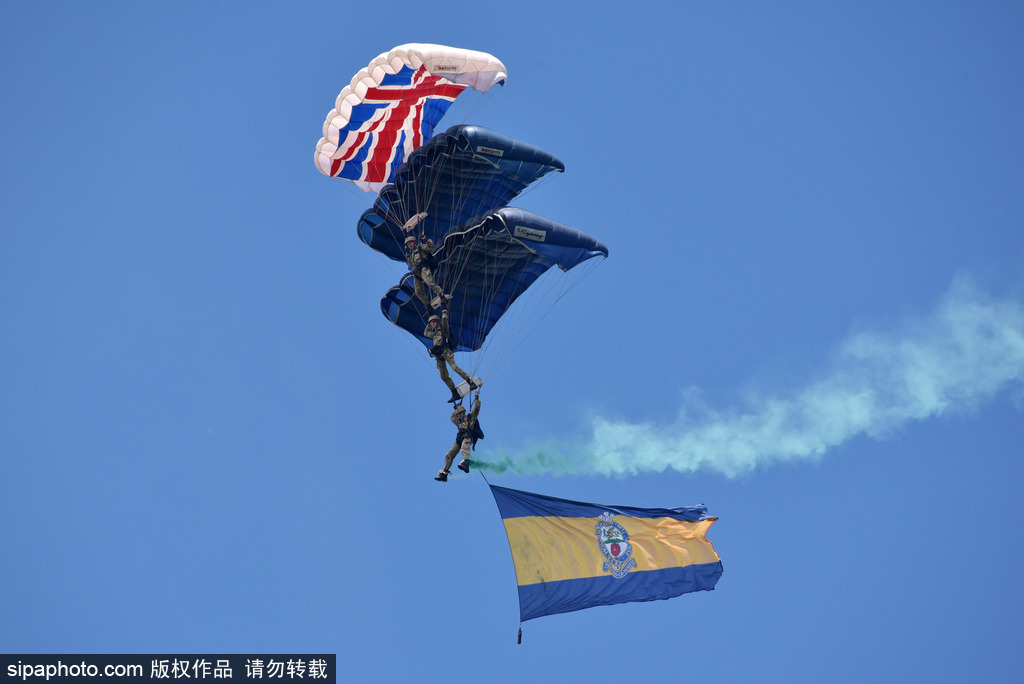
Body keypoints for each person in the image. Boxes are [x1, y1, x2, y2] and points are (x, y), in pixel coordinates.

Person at [424, 310, 478, 402]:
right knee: (443, 376)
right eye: (431, 323)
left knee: (455, 368)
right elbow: (425, 333)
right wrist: (429, 321)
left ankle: (470, 383)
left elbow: (445, 322)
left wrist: (444, 313)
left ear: (437, 322)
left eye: (434, 322)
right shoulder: (434, 334)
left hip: (446, 352)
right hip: (439, 357)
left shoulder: (443, 331)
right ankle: (455, 393)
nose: (433, 324)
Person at [401, 213, 448, 312]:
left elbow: (431, 248)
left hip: (423, 268)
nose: (409, 245)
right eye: (408, 244)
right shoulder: (412, 254)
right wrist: (407, 255)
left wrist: (426, 239)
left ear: (414, 242)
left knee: (429, 283)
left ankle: (441, 295)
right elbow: (412, 264)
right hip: (417, 272)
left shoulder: (420, 247)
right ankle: (428, 306)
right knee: (418, 291)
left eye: (410, 243)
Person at [435, 391, 483, 482]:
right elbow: (452, 417)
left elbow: (476, 409)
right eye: (459, 414)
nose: (460, 415)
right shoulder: (458, 421)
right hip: (459, 438)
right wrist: (456, 408)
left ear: (464, 412)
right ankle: (444, 473)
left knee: (464, 448)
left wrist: (476, 398)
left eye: (461, 413)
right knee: (449, 455)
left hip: (468, 436)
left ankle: (466, 463)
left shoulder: (470, 418)